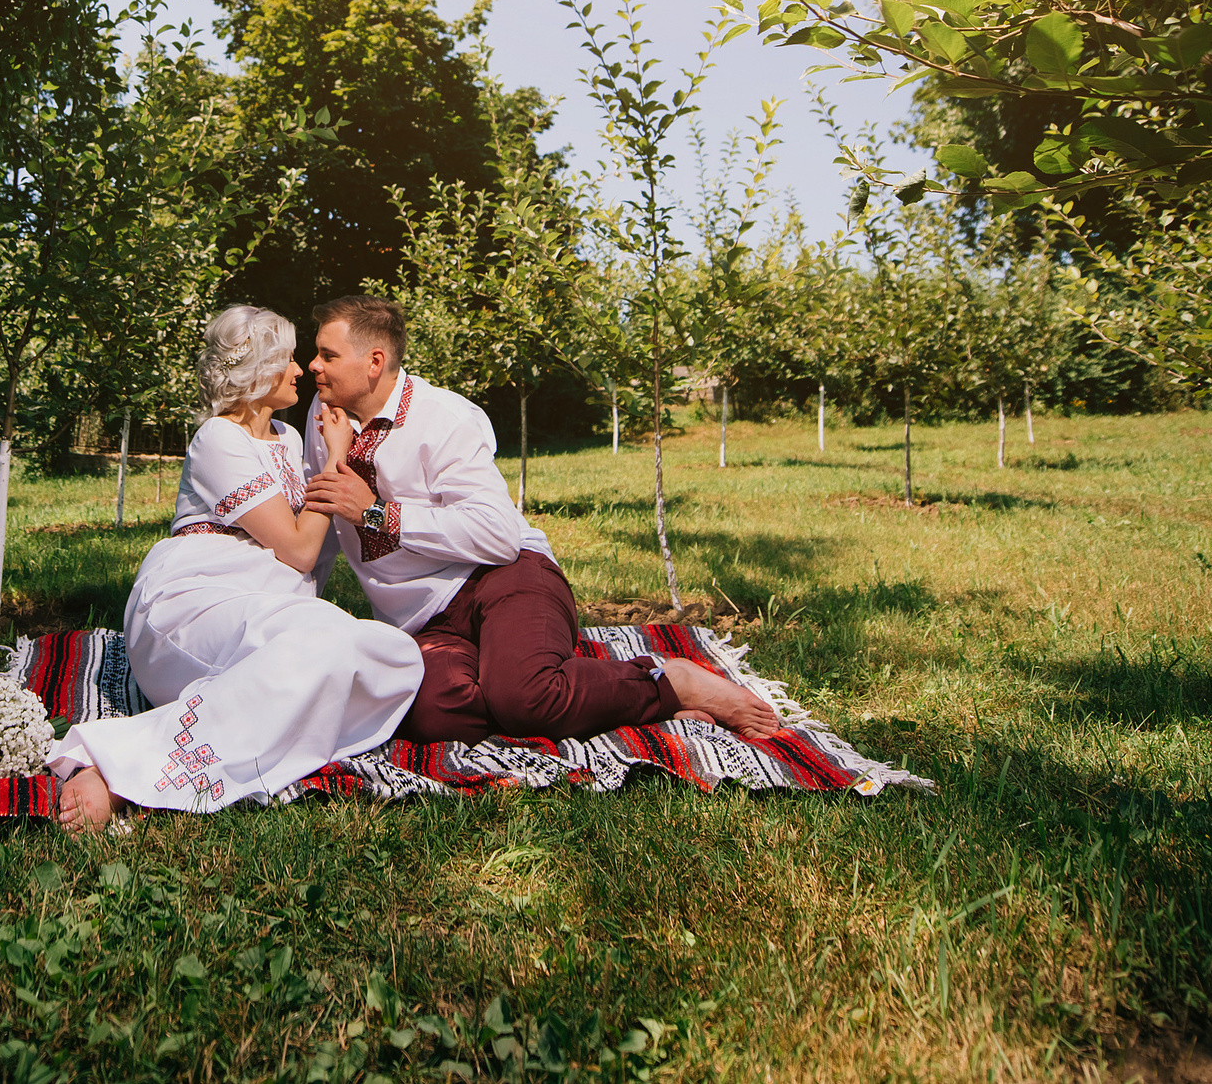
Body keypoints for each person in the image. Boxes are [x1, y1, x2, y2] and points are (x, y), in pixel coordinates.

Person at [298, 295, 784, 745]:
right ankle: (593, 694)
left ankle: (669, 682)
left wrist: (377, 513)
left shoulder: (444, 418)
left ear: (375, 361)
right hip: (426, 619)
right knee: (434, 716)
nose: (313, 366)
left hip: (505, 579)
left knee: (525, 699)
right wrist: (295, 620)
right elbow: (318, 530)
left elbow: (498, 536)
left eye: (328, 354)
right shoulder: (324, 419)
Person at [47, 305, 423, 832]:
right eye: (288, 359)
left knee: (392, 658)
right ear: (257, 372)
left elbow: (309, 552)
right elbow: (298, 549)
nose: (301, 371)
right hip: (199, 603)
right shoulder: (218, 439)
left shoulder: (291, 443)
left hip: (276, 611)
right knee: (327, 647)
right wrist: (338, 458)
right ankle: (112, 767)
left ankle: (220, 735)